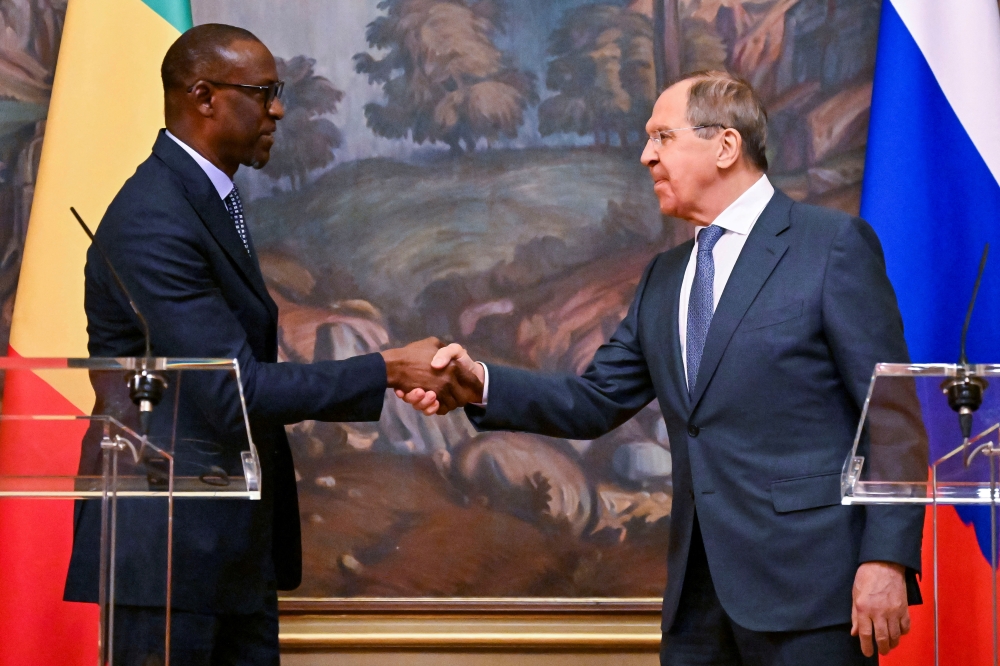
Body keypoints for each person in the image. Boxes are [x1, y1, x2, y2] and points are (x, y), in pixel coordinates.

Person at [404, 71, 925, 665]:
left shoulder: (832, 245)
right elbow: (593, 400)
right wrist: (481, 383)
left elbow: (891, 420)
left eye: (661, 137)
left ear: (725, 146)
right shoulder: (665, 276)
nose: (646, 155)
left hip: (811, 593)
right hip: (697, 605)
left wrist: (886, 559)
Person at [64, 24, 480, 665]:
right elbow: (237, 392)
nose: (279, 109)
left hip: (223, 545)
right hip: (171, 553)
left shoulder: (203, 198)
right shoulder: (154, 218)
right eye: (263, 93)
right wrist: (389, 367)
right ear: (204, 97)